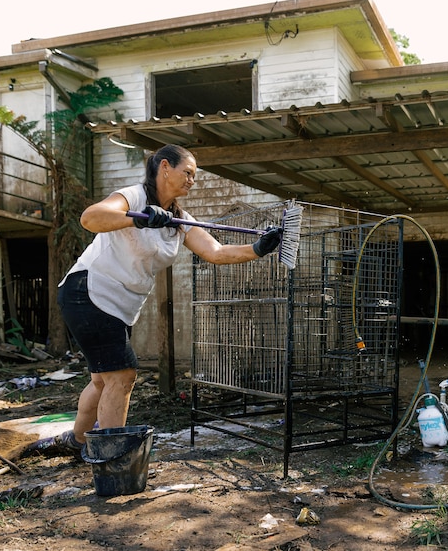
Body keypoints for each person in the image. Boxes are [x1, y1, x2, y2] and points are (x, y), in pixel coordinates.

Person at [51, 144, 282, 454]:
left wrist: (258, 249)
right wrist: (138, 218)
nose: (192, 180)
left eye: (194, 176)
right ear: (164, 167)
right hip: (90, 291)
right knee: (122, 375)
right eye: (187, 172)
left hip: (117, 305)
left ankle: (76, 441)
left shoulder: (178, 219)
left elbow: (214, 252)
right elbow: (90, 218)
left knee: (103, 380)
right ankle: (112, 458)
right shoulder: (133, 197)